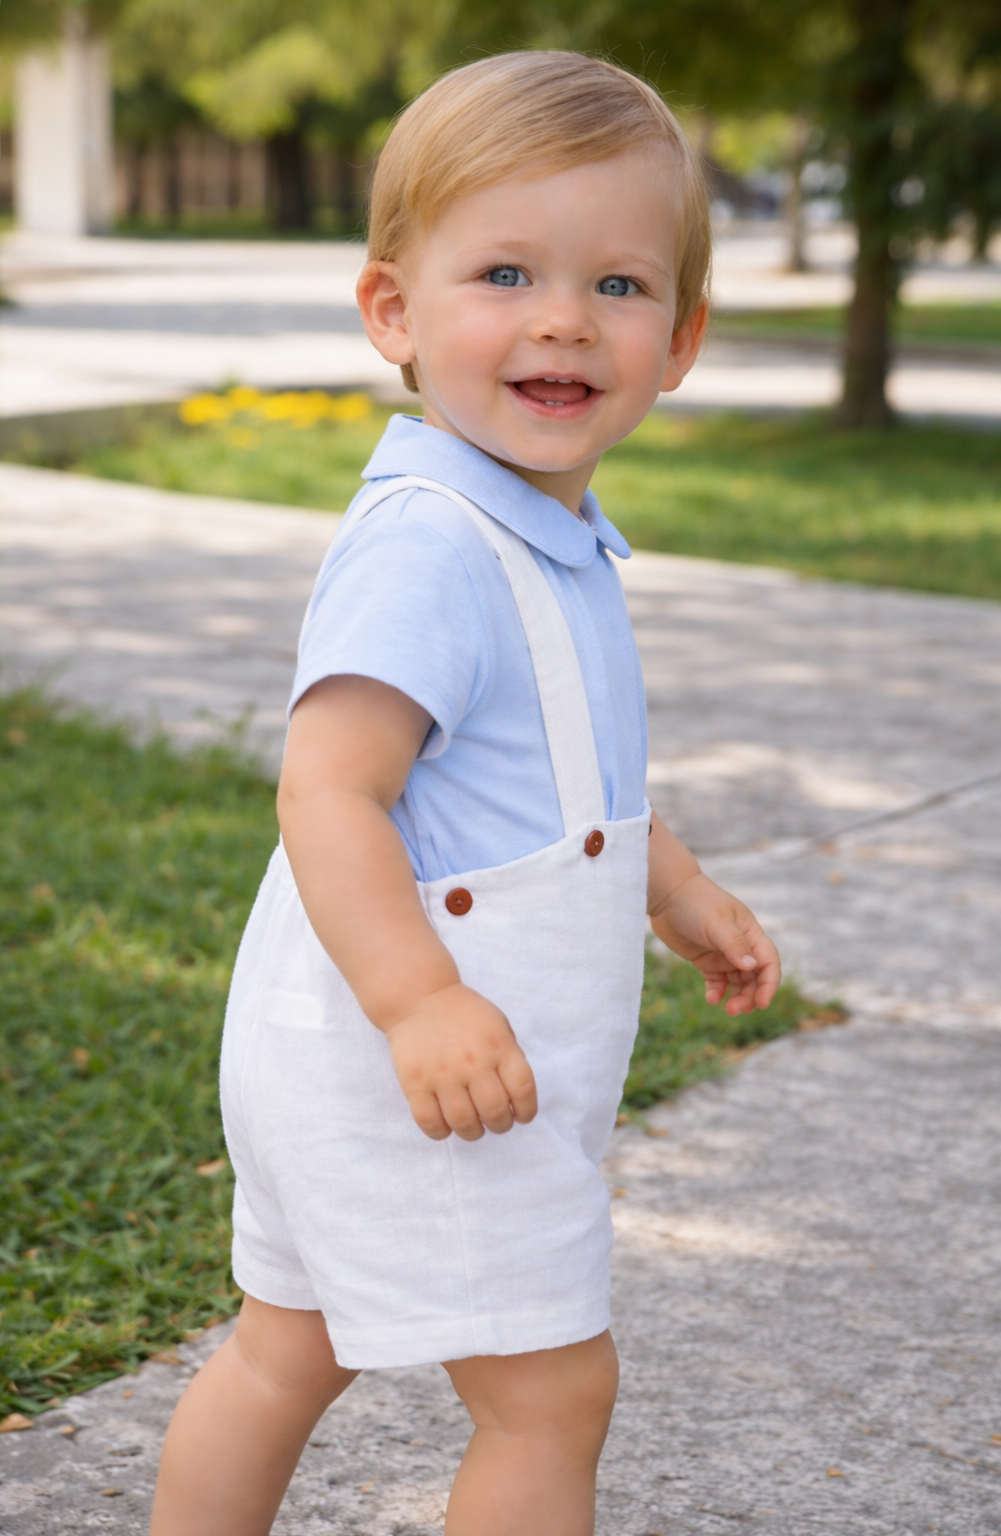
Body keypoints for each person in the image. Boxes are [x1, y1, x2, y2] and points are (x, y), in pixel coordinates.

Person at [150, 50, 781, 1536]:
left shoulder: (550, 530)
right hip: (417, 1069)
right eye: (505, 270)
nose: (564, 316)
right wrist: (421, 1004)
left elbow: (558, 785)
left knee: (285, 1348)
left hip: (381, 1067)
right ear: (394, 314)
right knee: (549, 1399)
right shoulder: (431, 545)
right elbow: (328, 795)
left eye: (618, 286)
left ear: (680, 337)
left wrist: (671, 889)